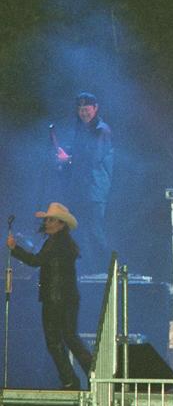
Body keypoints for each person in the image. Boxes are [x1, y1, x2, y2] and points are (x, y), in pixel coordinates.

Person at [6, 202, 93, 390]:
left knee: (55, 341)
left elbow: (35, 261)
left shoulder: (56, 242)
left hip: (55, 299)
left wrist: (15, 249)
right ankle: (90, 375)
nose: (47, 223)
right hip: (66, 298)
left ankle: (71, 381)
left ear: (61, 224)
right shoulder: (64, 243)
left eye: (51, 220)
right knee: (69, 338)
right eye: (46, 220)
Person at [56, 92, 114, 274]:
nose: (83, 113)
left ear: (95, 108)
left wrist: (69, 159)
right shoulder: (81, 130)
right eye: (80, 109)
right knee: (81, 231)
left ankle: (109, 267)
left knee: (94, 230)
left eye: (86, 109)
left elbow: (93, 157)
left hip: (94, 191)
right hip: (81, 190)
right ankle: (91, 270)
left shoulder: (102, 130)